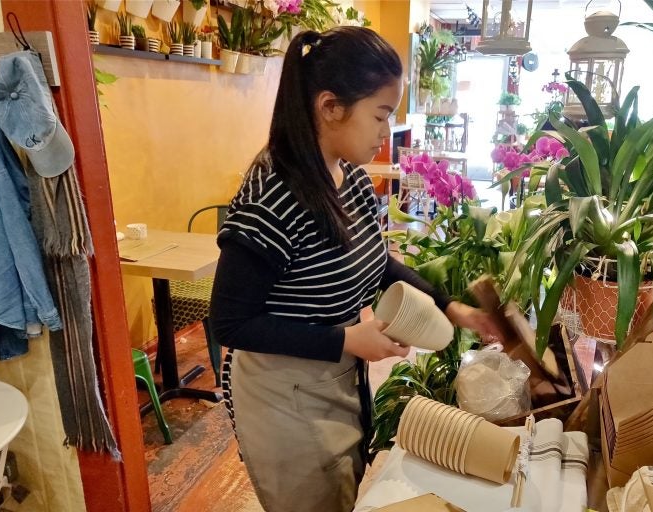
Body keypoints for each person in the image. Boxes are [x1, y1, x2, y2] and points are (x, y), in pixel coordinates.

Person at [210, 26, 501, 512]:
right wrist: (347, 340)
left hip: (336, 376)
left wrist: (454, 309)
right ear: (330, 107)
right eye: (380, 116)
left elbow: (378, 261)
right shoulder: (275, 193)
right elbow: (231, 323)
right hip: (284, 395)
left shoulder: (351, 180)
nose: (386, 134)